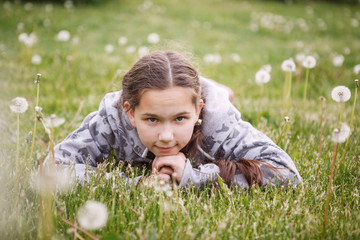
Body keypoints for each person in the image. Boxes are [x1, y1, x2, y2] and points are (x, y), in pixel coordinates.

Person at [47, 50, 301, 189]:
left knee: (215, 94)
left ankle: (216, 89)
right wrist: (137, 183)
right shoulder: (111, 120)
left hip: (206, 98)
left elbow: (288, 174)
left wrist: (196, 177)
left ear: (199, 110)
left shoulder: (220, 125)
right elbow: (50, 168)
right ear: (130, 112)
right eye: (152, 119)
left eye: (180, 118)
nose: (166, 136)